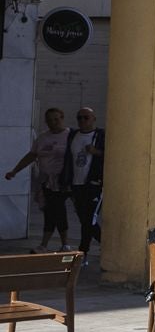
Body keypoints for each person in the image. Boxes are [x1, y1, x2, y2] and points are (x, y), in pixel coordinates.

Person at [8, 106, 71, 246]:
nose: (53, 122)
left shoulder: (69, 136)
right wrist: (15, 171)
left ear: (62, 118)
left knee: (57, 210)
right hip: (46, 181)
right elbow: (32, 155)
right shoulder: (42, 137)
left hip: (63, 182)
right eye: (49, 120)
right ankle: (54, 244)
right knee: (51, 211)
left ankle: (54, 244)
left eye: (56, 119)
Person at [65, 106, 105, 255]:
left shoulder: (100, 135)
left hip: (94, 184)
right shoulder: (73, 135)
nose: (82, 121)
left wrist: (97, 152)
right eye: (79, 118)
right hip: (76, 184)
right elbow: (67, 158)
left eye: (86, 117)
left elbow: (112, 155)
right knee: (84, 220)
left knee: (89, 219)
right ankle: (104, 246)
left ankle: (83, 252)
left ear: (93, 119)